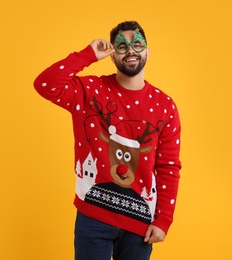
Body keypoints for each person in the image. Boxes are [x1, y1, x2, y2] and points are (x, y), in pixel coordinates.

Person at [34, 21, 182, 260]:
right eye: (122, 47)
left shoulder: (165, 106)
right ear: (112, 55)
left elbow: (168, 166)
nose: (131, 51)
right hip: (94, 216)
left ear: (148, 50)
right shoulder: (90, 90)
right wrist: (88, 54)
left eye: (137, 44)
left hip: (139, 222)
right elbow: (45, 84)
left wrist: (163, 220)